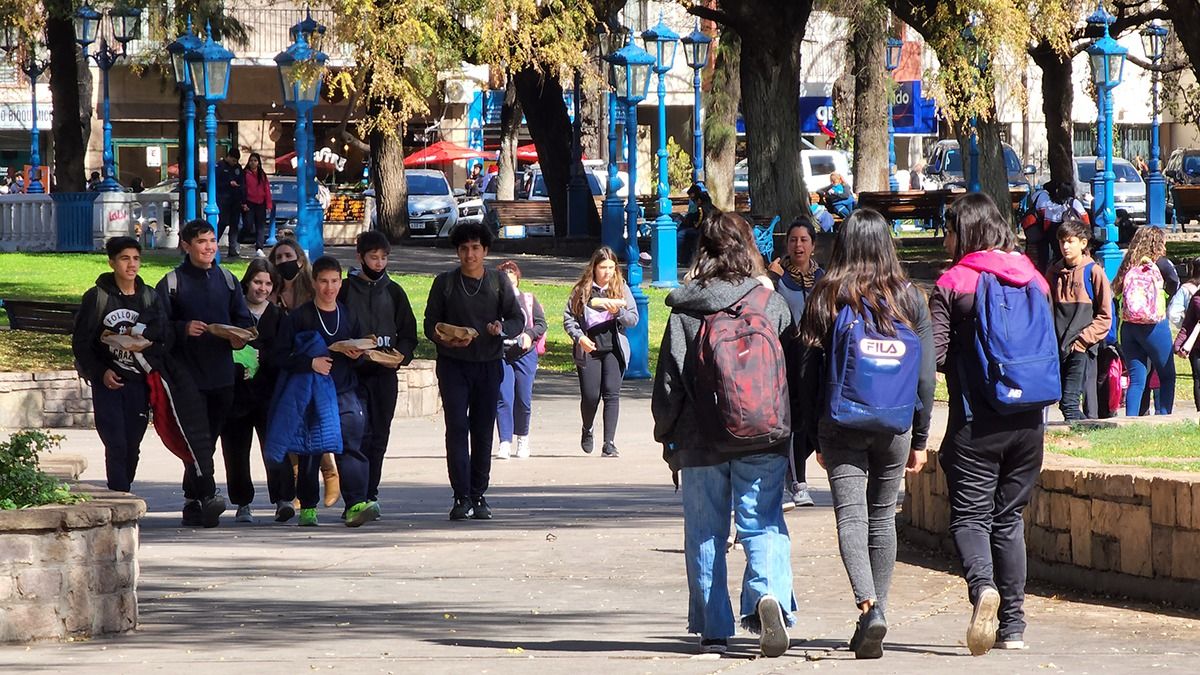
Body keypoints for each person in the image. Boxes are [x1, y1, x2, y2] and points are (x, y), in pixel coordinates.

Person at [652, 211, 795, 658]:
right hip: (763, 432)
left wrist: (666, 436)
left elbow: (670, 383)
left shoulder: (686, 309)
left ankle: (714, 627)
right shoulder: (770, 304)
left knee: (705, 531)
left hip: (700, 439)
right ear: (748, 247)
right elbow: (789, 371)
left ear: (704, 250)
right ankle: (766, 594)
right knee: (763, 520)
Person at [797, 208, 935, 659]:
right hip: (896, 422)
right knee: (882, 517)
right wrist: (919, 438)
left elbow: (809, 370)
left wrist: (814, 436)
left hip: (840, 422)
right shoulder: (911, 298)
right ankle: (880, 613)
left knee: (852, 518)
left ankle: (868, 606)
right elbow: (927, 376)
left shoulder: (828, 293)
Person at [931, 193, 1050, 655]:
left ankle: (983, 589)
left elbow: (936, 355)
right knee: (1009, 519)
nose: (945, 237)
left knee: (969, 517)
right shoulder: (1033, 278)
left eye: (950, 228)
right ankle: (1014, 626)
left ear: (966, 231)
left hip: (976, 423)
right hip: (1030, 422)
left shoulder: (952, 281)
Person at [156, 219, 255, 527]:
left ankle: (194, 499)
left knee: (207, 440)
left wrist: (240, 335)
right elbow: (158, 329)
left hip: (222, 374)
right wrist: (183, 328)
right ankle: (207, 496)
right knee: (197, 440)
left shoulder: (227, 279)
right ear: (186, 246)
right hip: (188, 377)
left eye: (212, 240)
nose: (209, 247)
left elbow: (244, 318)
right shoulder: (172, 282)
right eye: (202, 241)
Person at [423, 222, 525, 520]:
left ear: (485, 251)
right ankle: (461, 495)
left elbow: (516, 319)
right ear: (457, 251)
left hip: (488, 364)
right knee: (456, 428)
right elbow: (430, 323)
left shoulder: (497, 282)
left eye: (475, 248)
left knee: (482, 430)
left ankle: (479, 494)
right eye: (464, 249)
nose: (470, 254)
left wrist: (501, 328)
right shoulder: (445, 282)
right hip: (453, 366)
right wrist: (442, 336)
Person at [271, 256, 377, 527]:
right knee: (311, 449)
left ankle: (355, 503)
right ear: (314, 282)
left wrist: (357, 354)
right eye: (323, 281)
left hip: (344, 389)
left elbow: (362, 349)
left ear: (340, 283)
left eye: (334, 281)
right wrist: (310, 362)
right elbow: (279, 356)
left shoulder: (348, 314)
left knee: (352, 444)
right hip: (312, 392)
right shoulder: (300, 317)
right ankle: (308, 507)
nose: (329, 288)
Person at [71, 236, 169, 494]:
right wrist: (101, 372)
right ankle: (121, 497)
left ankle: (123, 489)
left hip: (139, 382)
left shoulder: (149, 298)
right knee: (115, 443)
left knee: (132, 445)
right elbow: (82, 343)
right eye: (125, 258)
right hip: (109, 383)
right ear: (112, 262)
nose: (132, 264)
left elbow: (163, 338)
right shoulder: (98, 297)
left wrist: (148, 348)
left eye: (136, 258)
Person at [338, 231, 419, 510]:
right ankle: (355, 498)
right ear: (360, 257)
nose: (379, 263)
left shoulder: (394, 291)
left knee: (379, 436)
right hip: (353, 374)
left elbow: (409, 334)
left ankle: (371, 493)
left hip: (384, 376)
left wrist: (401, 357)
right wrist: (345, 349)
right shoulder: (345, 290)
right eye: (373, 257)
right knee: (356, 435)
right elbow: (335, 327)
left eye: (384, 258)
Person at [269, 237, 340, 505]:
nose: (285, 262)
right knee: (291, 426)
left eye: (289, 256)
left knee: (315, 423)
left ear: (300, 259)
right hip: (281, 364)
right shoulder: (272, 289)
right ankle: (299, 484)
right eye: (279, 258)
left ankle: (329, 472)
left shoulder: (310, 291)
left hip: (310, 368)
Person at [218, 259, 288, 523]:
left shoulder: (279, 316)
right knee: (235, 449)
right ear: (247, 282)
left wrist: (264, 359)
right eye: (258, 282)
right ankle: (243, 502)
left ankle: (282, 499)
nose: (263, 288)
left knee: (274, 447)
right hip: (236, 393)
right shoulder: (234, 313)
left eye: (268, 283)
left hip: (269, 394)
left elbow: (283, 352)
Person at [766, 219, 824, 509]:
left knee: (814, 418)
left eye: (804, 240)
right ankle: (798, 482)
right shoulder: (777, 278)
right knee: (794, 420)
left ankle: (786, 469)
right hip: (785, 358)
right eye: (793, 240)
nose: (798, 245)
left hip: (816, 359)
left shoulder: (824, 279)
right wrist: (773, 280)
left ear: (813, 245)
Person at [563, 247, 639, 458]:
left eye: (611, 268)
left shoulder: (621, 288)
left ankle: (609, 443)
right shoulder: (582, 290)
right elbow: (569, 318)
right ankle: (587, 428)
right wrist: (580, 338)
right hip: (590, 348)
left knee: (612, 393)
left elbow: (633, 319)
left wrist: (619, 312)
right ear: (594, 268)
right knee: (590, 396)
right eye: (603, 267)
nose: (607, 272)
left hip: (614, 349)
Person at [1048, 219, 1113, 423]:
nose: (1065, 246)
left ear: (1083, 243)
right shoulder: (1053, 272)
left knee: (1070, 401)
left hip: (1081, 346)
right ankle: (1085, 426)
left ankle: (1084, 430)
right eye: (1061, 242)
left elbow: (1105, 315)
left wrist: (1083, 341)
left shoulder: (1093, 272)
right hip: (1057, 346)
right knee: (1061, 398)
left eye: (1070, 241)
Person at [1113, 226, 1175, 416]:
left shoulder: (1129, 263)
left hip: (1129, 327)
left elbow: (1114, 291)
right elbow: (1174, 282)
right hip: (1154, 326)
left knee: (1136, 378)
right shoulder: (1161, 263)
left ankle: (1131, 419)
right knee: (1167, 375)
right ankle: (1164, 417)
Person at [494, 260, 546, 460]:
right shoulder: (493, 303)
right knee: (503, 397)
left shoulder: (528, 300)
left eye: (512, 282)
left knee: (523, 399)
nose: (509, 286)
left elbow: (541, 324)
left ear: (517, 281)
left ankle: (522, 438)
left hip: (525, 355)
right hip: (502, 354)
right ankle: (505, 442)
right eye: (505, 283)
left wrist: (530, 335)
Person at [1171, 259, 1200, 410]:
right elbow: (1188, 324)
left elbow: (1179, 318)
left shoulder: (1190, 293)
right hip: (1194, 344)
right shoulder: (1195, 297)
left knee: (1198, 379)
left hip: (1195, 344)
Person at [216, 147, 247, 258]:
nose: (235, 163)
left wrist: (243, 200)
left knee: (234, 225)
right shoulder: (220, 166)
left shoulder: (238, 168)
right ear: (228, 157)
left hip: (235, 199)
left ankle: (232, 249)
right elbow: (216, 183)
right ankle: (214, 243)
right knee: (223, 222)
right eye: (233, 160)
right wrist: (228, 183)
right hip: (223, 198)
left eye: (236, 161)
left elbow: (242, 183)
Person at [678, 182, 717, 267]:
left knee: (681, 234)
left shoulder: (701, 207)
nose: (691, 199)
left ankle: (681, 259)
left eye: (691, 197)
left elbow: (698, 222)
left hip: (703, 230)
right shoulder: (707, 203)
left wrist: (687, 220)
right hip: (707, 228)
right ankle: (685, 258)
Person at [243, 153, 273, 259]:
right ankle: (240, 239)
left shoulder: (262, 174)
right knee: (248, 224)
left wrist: (269, 204)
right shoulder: (245, 173)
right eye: (251, 160)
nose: (253, 163)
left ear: (258, 162)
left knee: (261, 227)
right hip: (249, 202)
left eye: (255, 161)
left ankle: (259, 248)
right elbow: (242, 189)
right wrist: (243, 203)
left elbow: (267, 189)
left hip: (261, 203)